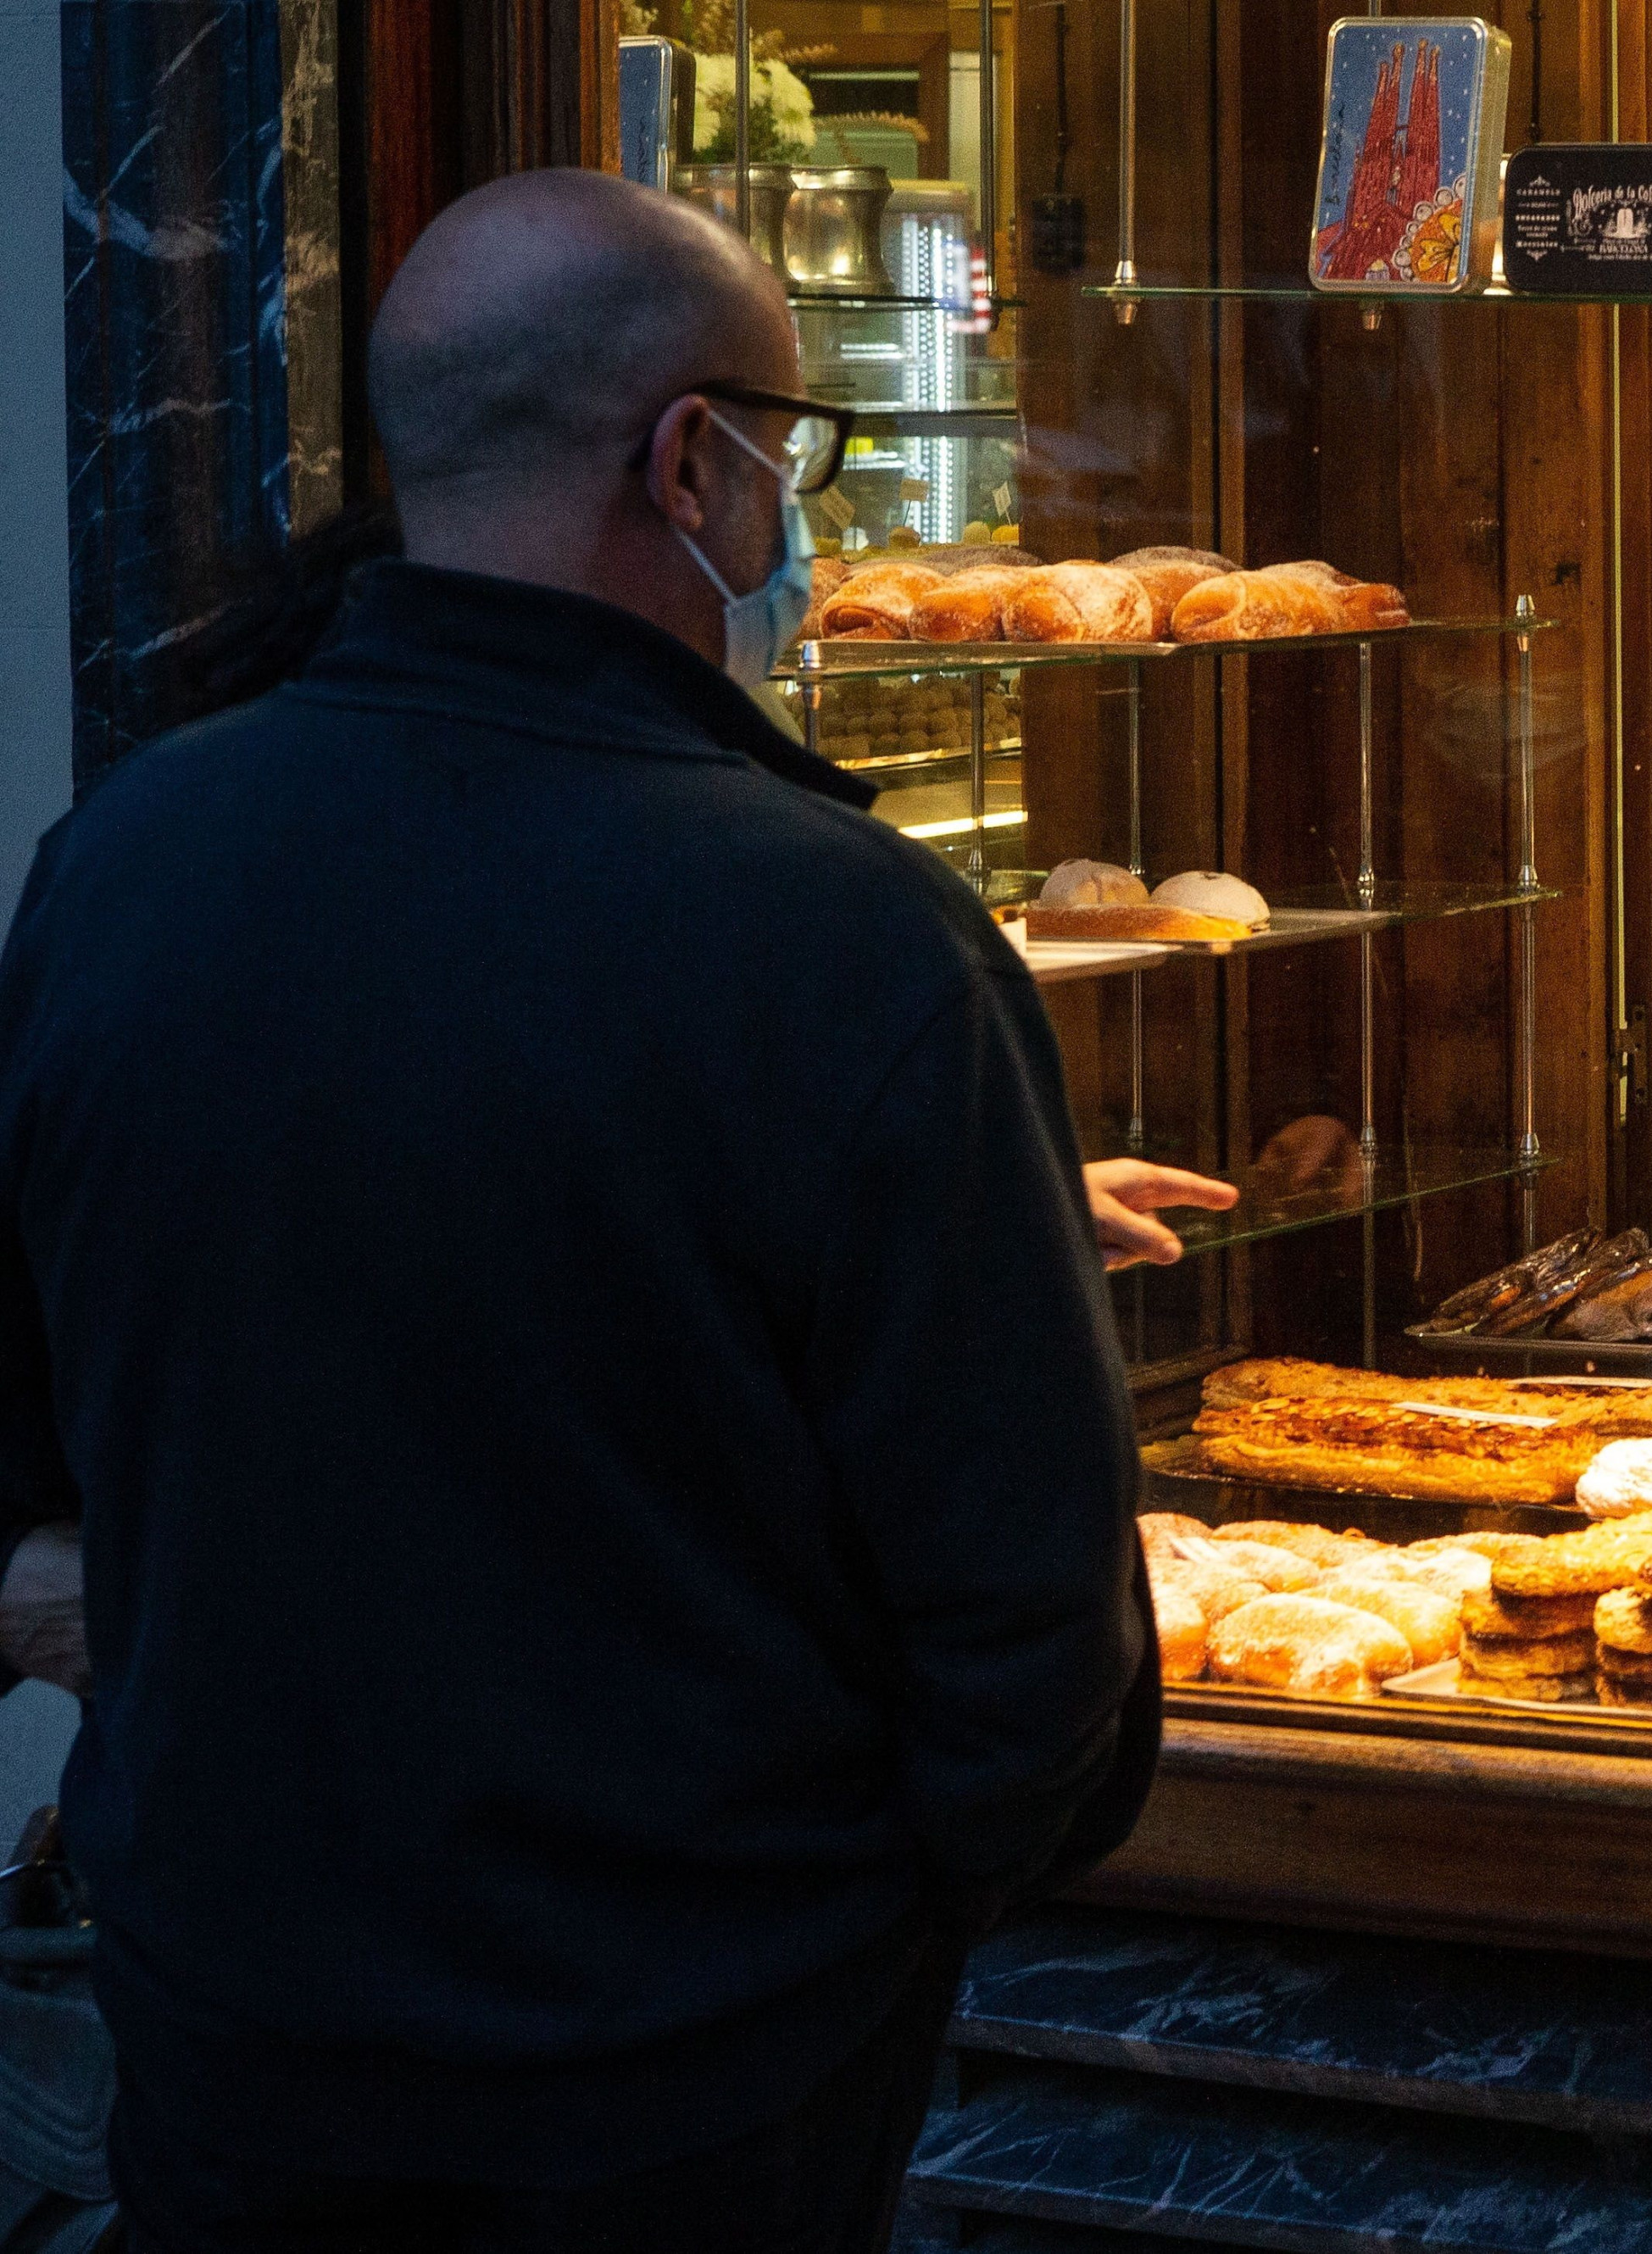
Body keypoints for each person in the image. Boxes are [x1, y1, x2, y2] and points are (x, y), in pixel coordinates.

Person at [0, 169, 1215, 2248]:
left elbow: (49, 1474)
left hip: (233, 2038)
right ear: (694, 459)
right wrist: (830, 1927)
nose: (794, 514)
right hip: (701, 2077)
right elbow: (1033, 1656)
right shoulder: (850, 938)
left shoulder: (126, 852)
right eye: (797, 452)